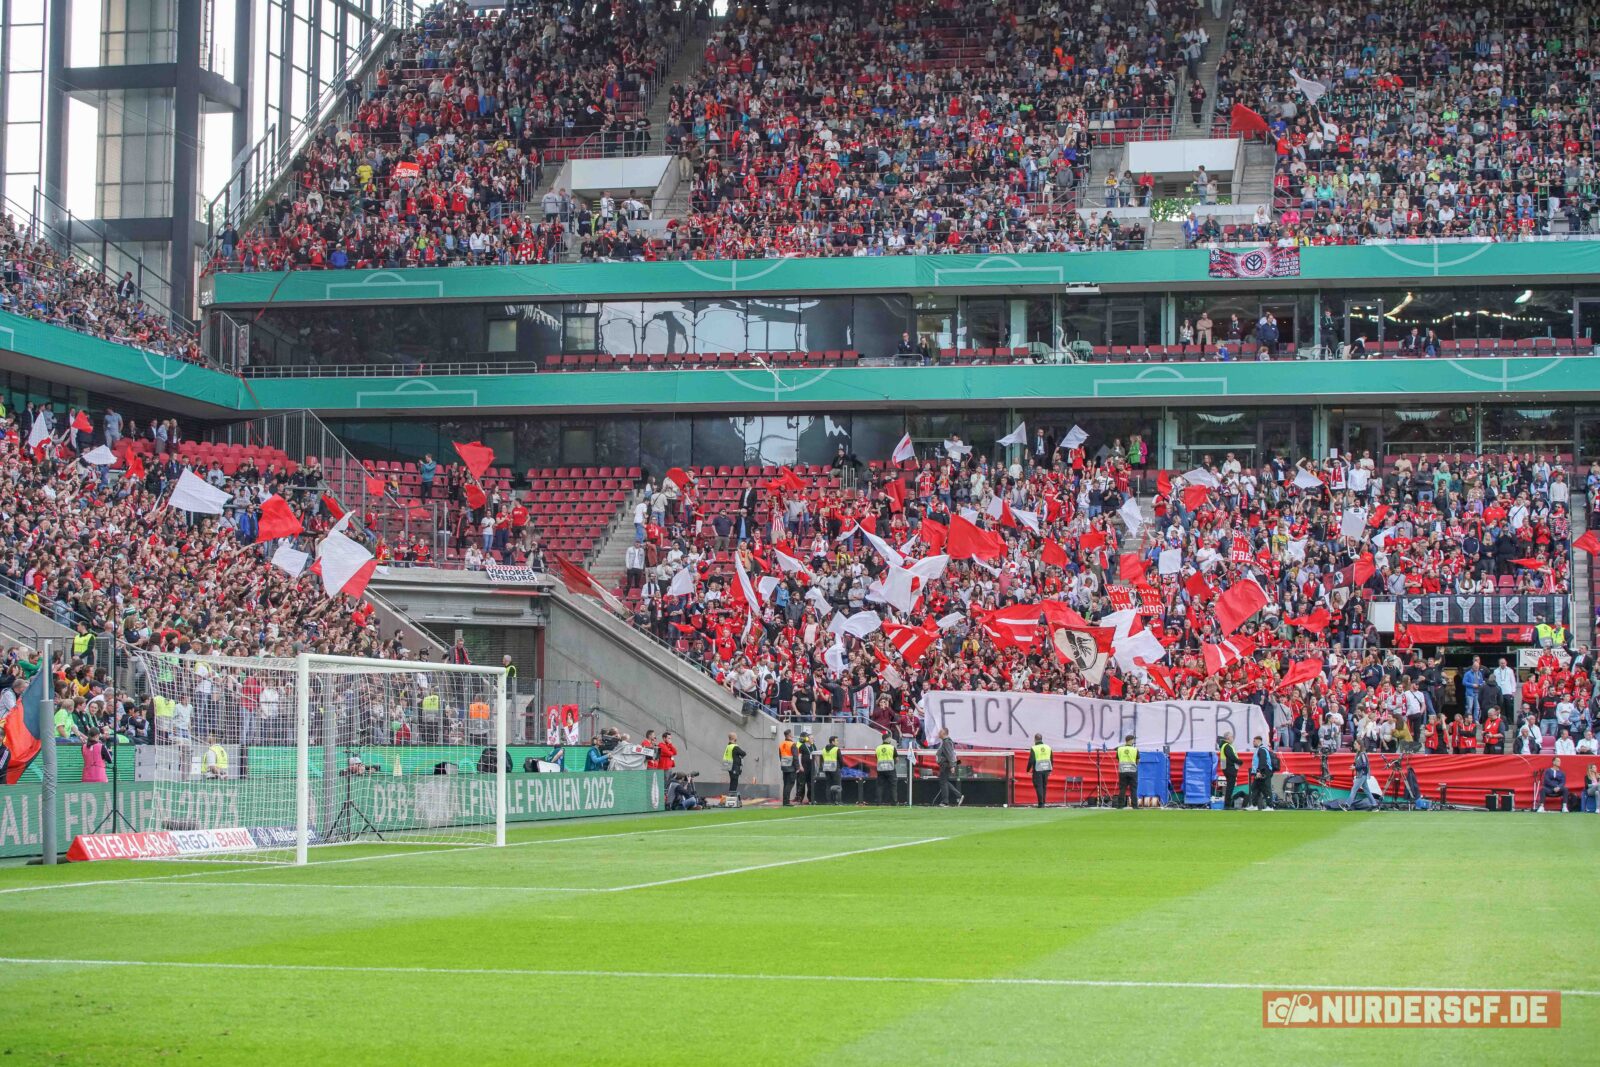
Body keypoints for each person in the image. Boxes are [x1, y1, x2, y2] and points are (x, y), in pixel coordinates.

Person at [934, 727, 963, 807]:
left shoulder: (947, 742)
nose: (938, 733)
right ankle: (958, 795)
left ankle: (945, 802)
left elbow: (950, 754)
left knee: (943, 782)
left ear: (943, 733)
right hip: (946, 764)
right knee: (944, 781)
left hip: (946, 765)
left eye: (940, 732)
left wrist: (952, 765)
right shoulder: (946, 742)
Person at [1248, 736, 1275, 810]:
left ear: (1258, 741)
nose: (1253, 743)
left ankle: (1270, 806)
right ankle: (1254, 805)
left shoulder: (1262, 750)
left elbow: (1262, 762)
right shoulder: (1259, 749)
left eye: (1254, 741)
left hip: (1264, 772)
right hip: (1260, 772)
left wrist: (1259, 772)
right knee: (1255, 788)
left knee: (1266, 789)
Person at [1027, 732, 1053, 808]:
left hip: (1037, 770)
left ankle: (1041, 804)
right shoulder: (1048, 747)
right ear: (1041, 739)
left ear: (1035, 739)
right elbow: (1051, 759)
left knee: (1039, 786)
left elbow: (1031, 760)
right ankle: (1043, 802)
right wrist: (1050, 770)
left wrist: (1028, 769)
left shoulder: (1034, 748)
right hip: (1046, 769)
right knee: (1044, 786)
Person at [1115, 734, 1139, 809]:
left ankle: (1120, 805)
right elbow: (1138, 760)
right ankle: (1135, 806)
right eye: (1133, 740)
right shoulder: (1135, 749)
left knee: (1122, 789)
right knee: (1133, 789)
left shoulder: (1120, 749)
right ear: (1131, 740)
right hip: (1132, 771)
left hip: (1123, 771)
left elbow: (1118, 759)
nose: (1134, 741)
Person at [874, 733, 898, 805]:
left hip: (880, 769)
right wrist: (893, 764)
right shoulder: (892, 747)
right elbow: (897, 759)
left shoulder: (878, 748)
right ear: (887, 739)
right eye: (890, 738)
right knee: (893, 786)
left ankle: (878, 802)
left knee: (880, 786)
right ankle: (894, 802)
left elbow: (876, 757)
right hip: (890, 768)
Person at [1219, 732, 1241, 809]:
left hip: (1226, 768)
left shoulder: (1223, 746)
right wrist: (1239, 762)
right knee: (1230, 787)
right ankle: (1227, 805)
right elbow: (1232, 756)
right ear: (1228, 738)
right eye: (1232, 737)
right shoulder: (1227, 746)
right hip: (1230, 768)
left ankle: (1227, 804)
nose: (1233, 738)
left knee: (1229, 787)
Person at [794, 730, 816, 805]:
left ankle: (810, 799)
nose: (813, 739)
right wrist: (800, 766)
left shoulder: (813, 746)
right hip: (804, 767)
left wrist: (817, 766)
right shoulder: (802, 746)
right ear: (807, 739)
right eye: (811, 738)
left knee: (810, 784)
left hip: (811, 768)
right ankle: (800, 799)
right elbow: (799, 756)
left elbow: (816, 756)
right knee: (802, 784)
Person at [819, 734, 843, 803]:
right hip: (835, 768)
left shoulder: (824, 749)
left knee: (828, 785)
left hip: (827, 768)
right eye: (836, 741)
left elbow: (821, 759)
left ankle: (829, 801)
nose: (838, 742)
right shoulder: (836, 749)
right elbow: (840, 760)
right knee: (837, 785)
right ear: (832, 742)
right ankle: (838, 801)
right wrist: (841, 767)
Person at [722, 732, 746, 797]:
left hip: (729, 766)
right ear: (734, 738)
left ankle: (731, 796)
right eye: (736, 736)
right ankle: (732, 797)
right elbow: (743, 753)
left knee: (732, 781)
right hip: (734, 766)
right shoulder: (734, 747)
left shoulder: (728, 746)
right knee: (734, 782)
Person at [778, 728, 798, 805]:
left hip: (784, 767)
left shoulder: (781, 744)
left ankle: (785, 801)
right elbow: (795, 757)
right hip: (791, 768)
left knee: (786, 784)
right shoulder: (792, 744)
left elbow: (780, 756)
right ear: (789, 735)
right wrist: (797, 767)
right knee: (790, 784)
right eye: (791, 734)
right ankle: (786, 802)